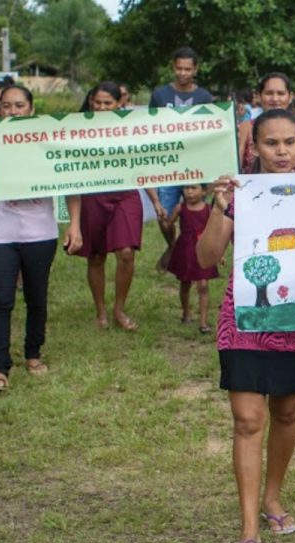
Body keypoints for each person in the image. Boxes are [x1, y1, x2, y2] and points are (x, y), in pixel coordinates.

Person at [197, 108, 295, 543]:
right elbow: (206, 258)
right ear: (254, 147)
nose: (282, 151)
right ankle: (250, 527)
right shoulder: (239, 194)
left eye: (289, 142)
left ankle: (274, 495)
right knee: (248, 420)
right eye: (271, 143)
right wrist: (218, 207)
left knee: (287, 413)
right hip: (246, 321)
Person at [0, 85, 82, 392]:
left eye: (19, 106)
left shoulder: (47, 143)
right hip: (0, 234)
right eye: (6, 106)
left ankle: (33, 354)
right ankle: (1, 368)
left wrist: (75, 226)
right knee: (1, 300)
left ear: (31, 110)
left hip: (39, 234)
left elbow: (70, 184)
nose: (12, 112)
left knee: (36, 297)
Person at [74, 81, 164, 332]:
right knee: (96, 256)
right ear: (91, 102)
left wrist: (155, 200)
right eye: (98, 103)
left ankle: (119, 309)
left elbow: (142, 166)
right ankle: (100, 310)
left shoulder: (131, 129)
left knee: (126, 253)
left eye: (108, 103)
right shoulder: (77, 129)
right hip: (93, 195)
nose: (102, 108)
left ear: (120, 104)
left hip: (125, 195)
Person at [149, 47, 214, 232]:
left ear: (195, 69)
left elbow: (211, 132)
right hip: (167, 165)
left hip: (195, 165)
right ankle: (173, 247)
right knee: (164, 215)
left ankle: (188, 250)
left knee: (194, 213)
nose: (183, 73)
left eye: (187, 69)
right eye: (179, 68)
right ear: (173, 67)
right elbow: (148, 127)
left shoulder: (204, 97)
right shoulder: (159, 95)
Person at [235, 73, 295, 174]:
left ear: (290, 97)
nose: (275, 99)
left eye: (281, 93)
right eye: (269, 93)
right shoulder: (246, 128)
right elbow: (233, 168)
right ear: (259, 96)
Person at [165, 183, 218, 333]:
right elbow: (169, 225)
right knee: (185, 283)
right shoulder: (180, 208)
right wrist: (165, 220)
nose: (189, 192)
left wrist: (216, 252)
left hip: (203, 249)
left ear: (204, 191)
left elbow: (214, 230)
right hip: (185, 249)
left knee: (203, 285)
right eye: (186, 188)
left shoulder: (209, 209)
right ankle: (186, 313)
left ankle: (203, 322)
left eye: (194, 188)